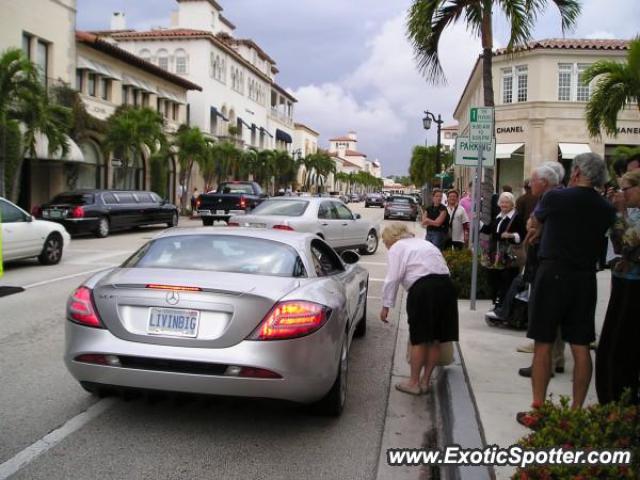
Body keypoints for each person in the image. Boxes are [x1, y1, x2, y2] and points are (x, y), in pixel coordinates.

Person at [517, 153, 616, 429]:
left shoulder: (555, 198)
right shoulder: (605, 207)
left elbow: (533, 224)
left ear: (576, 173)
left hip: (553, 273)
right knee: (581, 346)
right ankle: (575, 413)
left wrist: (539, 228)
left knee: (543, 343)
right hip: (585, 277)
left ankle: (538, 409)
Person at [379, 223, 458, 395]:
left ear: (391, 238)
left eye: (385, 242)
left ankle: (413, 383)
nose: (386, 246)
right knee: (436, 338)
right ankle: (425, 382)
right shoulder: (425, 243)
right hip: (446, 287)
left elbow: (393, 278)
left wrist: (386, 305)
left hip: (423, 290)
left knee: (420, 339)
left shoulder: (397, 247)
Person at [596, 169, 640, 404]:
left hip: (634, 287)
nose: (622, 194)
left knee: (622, 348)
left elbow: (626, 244)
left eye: (627, 189)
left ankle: (621, 401)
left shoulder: (631, 215)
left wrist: (620, 213)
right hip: (624, 282)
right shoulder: (633, 214)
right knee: (612, 347)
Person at [480, 192, 526, 315]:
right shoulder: (498, 216)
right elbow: (489, 229)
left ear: (512, 204)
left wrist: (511, 235)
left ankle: (503, 306)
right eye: (502, 202)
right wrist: (476, 221)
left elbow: (522, 235)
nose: (504, 205)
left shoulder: (517, 217)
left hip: (509, 255)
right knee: (494, 279)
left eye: (507, 202)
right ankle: (496, 304)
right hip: (496, 254)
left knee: (507, 280)